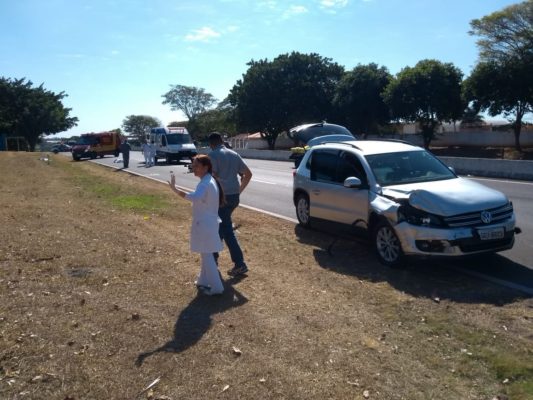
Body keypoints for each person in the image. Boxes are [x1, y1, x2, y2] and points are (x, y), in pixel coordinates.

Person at [168, 155, 225, 296]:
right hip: (208, 223)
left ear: (205, 167)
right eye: (193, 165)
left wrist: (175, 190)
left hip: (205, 224)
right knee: (206, 253)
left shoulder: (206, 182)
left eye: (196, 166)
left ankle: (217, 287)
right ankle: (203, 281)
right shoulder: (208, 180)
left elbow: (195, 197)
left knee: (207, 255)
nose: (193, 168)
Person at [208, 132, 252, 277]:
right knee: (222, 227)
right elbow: (248, 174)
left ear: (211, 143)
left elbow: (211, 178)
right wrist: (239, 190)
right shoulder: (234, 154)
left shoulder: (213, 155)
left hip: (221, 198)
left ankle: (238, 264)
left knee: (224, 230)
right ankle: (214, 260)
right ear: (222, 140)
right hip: (234, 196)